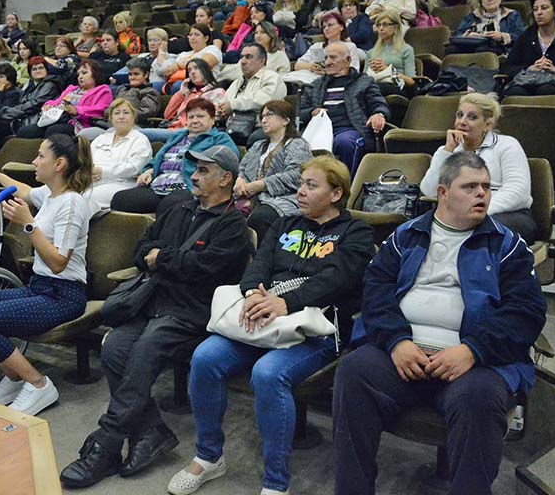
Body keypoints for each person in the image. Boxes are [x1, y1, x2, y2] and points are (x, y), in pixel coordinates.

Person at [332, 151, 547, 495]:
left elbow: (526, 312)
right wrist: (396, 342)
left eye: (486, 187)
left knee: (480, 397)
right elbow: (375, 293)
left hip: (472, 364)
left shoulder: (507, 246)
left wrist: (473, 350)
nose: (482, 194)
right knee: (354, 371)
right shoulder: (406, 236)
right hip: (404, 354)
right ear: (443, 193)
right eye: (470, 187)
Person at [169, 155, 373, 495]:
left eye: (311, 185)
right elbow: (258, 265)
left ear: (336, 194)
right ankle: (208, 456)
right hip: (264, 317)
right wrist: (252, 294)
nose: (301, 191)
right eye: (301, 183)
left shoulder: (356, 233)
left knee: (268, 374)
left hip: (316, 329)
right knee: (204, 358)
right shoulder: (284, 224)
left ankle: (276, 483)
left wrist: (284, 303)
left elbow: (337, 280)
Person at [60, 145, 253, 490]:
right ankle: (150, 431)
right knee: (115, 348)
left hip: (190, 312)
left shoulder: (233, 226)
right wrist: (165, 258)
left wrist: (161, 258)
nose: (194, 175)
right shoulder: (178, 207)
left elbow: (202, 269)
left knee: (144, 351)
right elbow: (141, 249)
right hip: (152, 301)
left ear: (225, 179)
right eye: (195, 168)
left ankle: (106, 442)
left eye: (204, 170)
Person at [0, 135, 93, 415]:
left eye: (40, 156)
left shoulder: (72, 204)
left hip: (64, 295)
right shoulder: (50, 194)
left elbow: (58, 263)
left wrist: (28, 225)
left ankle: (37, 383)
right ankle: (14, 379)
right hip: (39, 287)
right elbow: (25, 191)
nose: (34, 161)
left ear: (59, 164)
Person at [421, 93, 535, 241]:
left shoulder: (507, 145)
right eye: (459, 115)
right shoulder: (449, 150)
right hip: (460, 213)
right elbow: (429, 191)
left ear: (487, 125)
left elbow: (518, 191)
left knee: (482, 229)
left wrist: (479, 210)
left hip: (508, 213)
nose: (462, 122)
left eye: (472, 117)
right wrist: (447, 151)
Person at [111, 98, 238, 215]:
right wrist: (149, 171)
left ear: (212, 119)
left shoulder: (219, 138)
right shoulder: (178, 136)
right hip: (157, 186)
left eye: (200, 116)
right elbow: (157, 159)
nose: (195, 120)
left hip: (186, 187)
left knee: (170, 205)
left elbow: (229, 163)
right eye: (191, 117)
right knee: (121, 199)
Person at [300, 42, 389, 171]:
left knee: (344, 142)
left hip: (349, 128)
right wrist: (312, 112)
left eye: (333, 57)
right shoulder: (315, 85)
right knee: (298, 145)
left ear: (348, 60)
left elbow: (378, 103)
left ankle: (346, 182)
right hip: (320, 130)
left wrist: (378, 114)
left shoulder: (364, 82)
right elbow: (300, 112)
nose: (327, 62)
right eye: (326, 58)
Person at [233, 100, 313, 240]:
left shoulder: (297, 144)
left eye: (269, 115)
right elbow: (243, 168)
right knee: (225, 215)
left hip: (285, 198)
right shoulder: (258, 145)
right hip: (253, 197)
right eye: (262, 116)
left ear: (286, 120)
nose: (264, 120)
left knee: (260, 218)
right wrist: (240, 180)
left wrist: (262, 184)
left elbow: (297, 175)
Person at [83, 99, 153, 213]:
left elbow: (134, 168)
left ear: (133, 118)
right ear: (111, 118)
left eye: (126, 113)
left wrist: (101, 171)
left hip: (123, 184)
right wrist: (87, 173)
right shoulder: (101, 138)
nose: (121, 116)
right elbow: (86, 161)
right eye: (116, 113)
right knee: (61, 192)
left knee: (87, 197)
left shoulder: (140, 140)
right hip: (92, 181)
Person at [18, 60, 113, 139]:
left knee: (54, 130)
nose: (80, 77)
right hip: (57, 119)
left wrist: (76, 110)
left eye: (84, 73)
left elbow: (100, 109)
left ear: (96, 74)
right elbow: (56, 102)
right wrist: (48, 105)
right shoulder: (72, 89)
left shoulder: (103, 90)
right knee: (25, 131)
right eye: (78, 74)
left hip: (79, 124)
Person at [141, 59, 226, 144]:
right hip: (174, 129)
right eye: (189, 70)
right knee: (136, 132)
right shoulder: (188, 93)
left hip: (191, 132)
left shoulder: (217, 92)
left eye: (196, 68)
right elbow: (167, 115)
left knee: (140, 134)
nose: (192, 72)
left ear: (206, 71)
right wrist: (181, 93)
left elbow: (216, 117)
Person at [219, 43, 288, 146]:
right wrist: (221, 110)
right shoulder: (237, 82)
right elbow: (225, 101)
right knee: (210, 135)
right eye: (242, 57)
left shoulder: (272, 77)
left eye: (248, 57)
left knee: (255, 139)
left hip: (261, 126)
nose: (243, 61)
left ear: (262, 61)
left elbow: (264, 100)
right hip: (235, 126)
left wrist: (232, 105)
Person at [0, 57, 62, 147]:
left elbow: (34, 104)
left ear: (46, 70)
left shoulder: (49, 85)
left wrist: (6, 112)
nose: (38, 71)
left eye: (41, 68)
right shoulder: (31, 85)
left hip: (34, 120)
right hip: (23, 118)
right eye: (34, 69)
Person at [446, 0, 525, 55]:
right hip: (471, 45)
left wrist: (502, 36)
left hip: (499, 47)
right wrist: (468, 35)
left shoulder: (512, 15)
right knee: (451, 49)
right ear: (481, 1)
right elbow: (458, 34)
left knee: (482, 50)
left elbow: (521, 37)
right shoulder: (472, 16)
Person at [293, 11, 363, 76]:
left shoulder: (349, 47)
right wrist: (310, 66)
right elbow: (297, 65)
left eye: (330, 25)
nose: (326, 29)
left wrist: (328, 72)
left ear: (341, 27)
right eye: (324, 27)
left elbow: (354, 71)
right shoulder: (317, 46)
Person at [366, 9, 417, 97]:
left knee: (375, 89)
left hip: (397, 87)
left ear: (396, 27)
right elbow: (364, 79)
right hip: (374, 85)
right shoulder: (371, 52)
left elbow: (412, 81)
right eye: (378, 25)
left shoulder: (406, 49)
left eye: (385, 25)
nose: (381, 28)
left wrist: (388, 71)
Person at [104, 58, 160, 128]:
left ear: (146, 74)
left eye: (136, 74)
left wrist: (122, 113)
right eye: (130, 74)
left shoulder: (150, 92)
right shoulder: (122, 89)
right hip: (112, 124)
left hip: (135, 126)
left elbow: (146, 113)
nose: (132, 77)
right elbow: (109, 110)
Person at [168, 24, 223, 93]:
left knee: (178, 85)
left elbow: (203, 64)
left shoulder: (212, 49)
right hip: (177, 81)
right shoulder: (183, 54)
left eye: (197, 35)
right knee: (158, 85)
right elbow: (169, 71)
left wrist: (178, 65)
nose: (192, 38)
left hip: (204, 86)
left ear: (206, 38)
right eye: (190, 35)